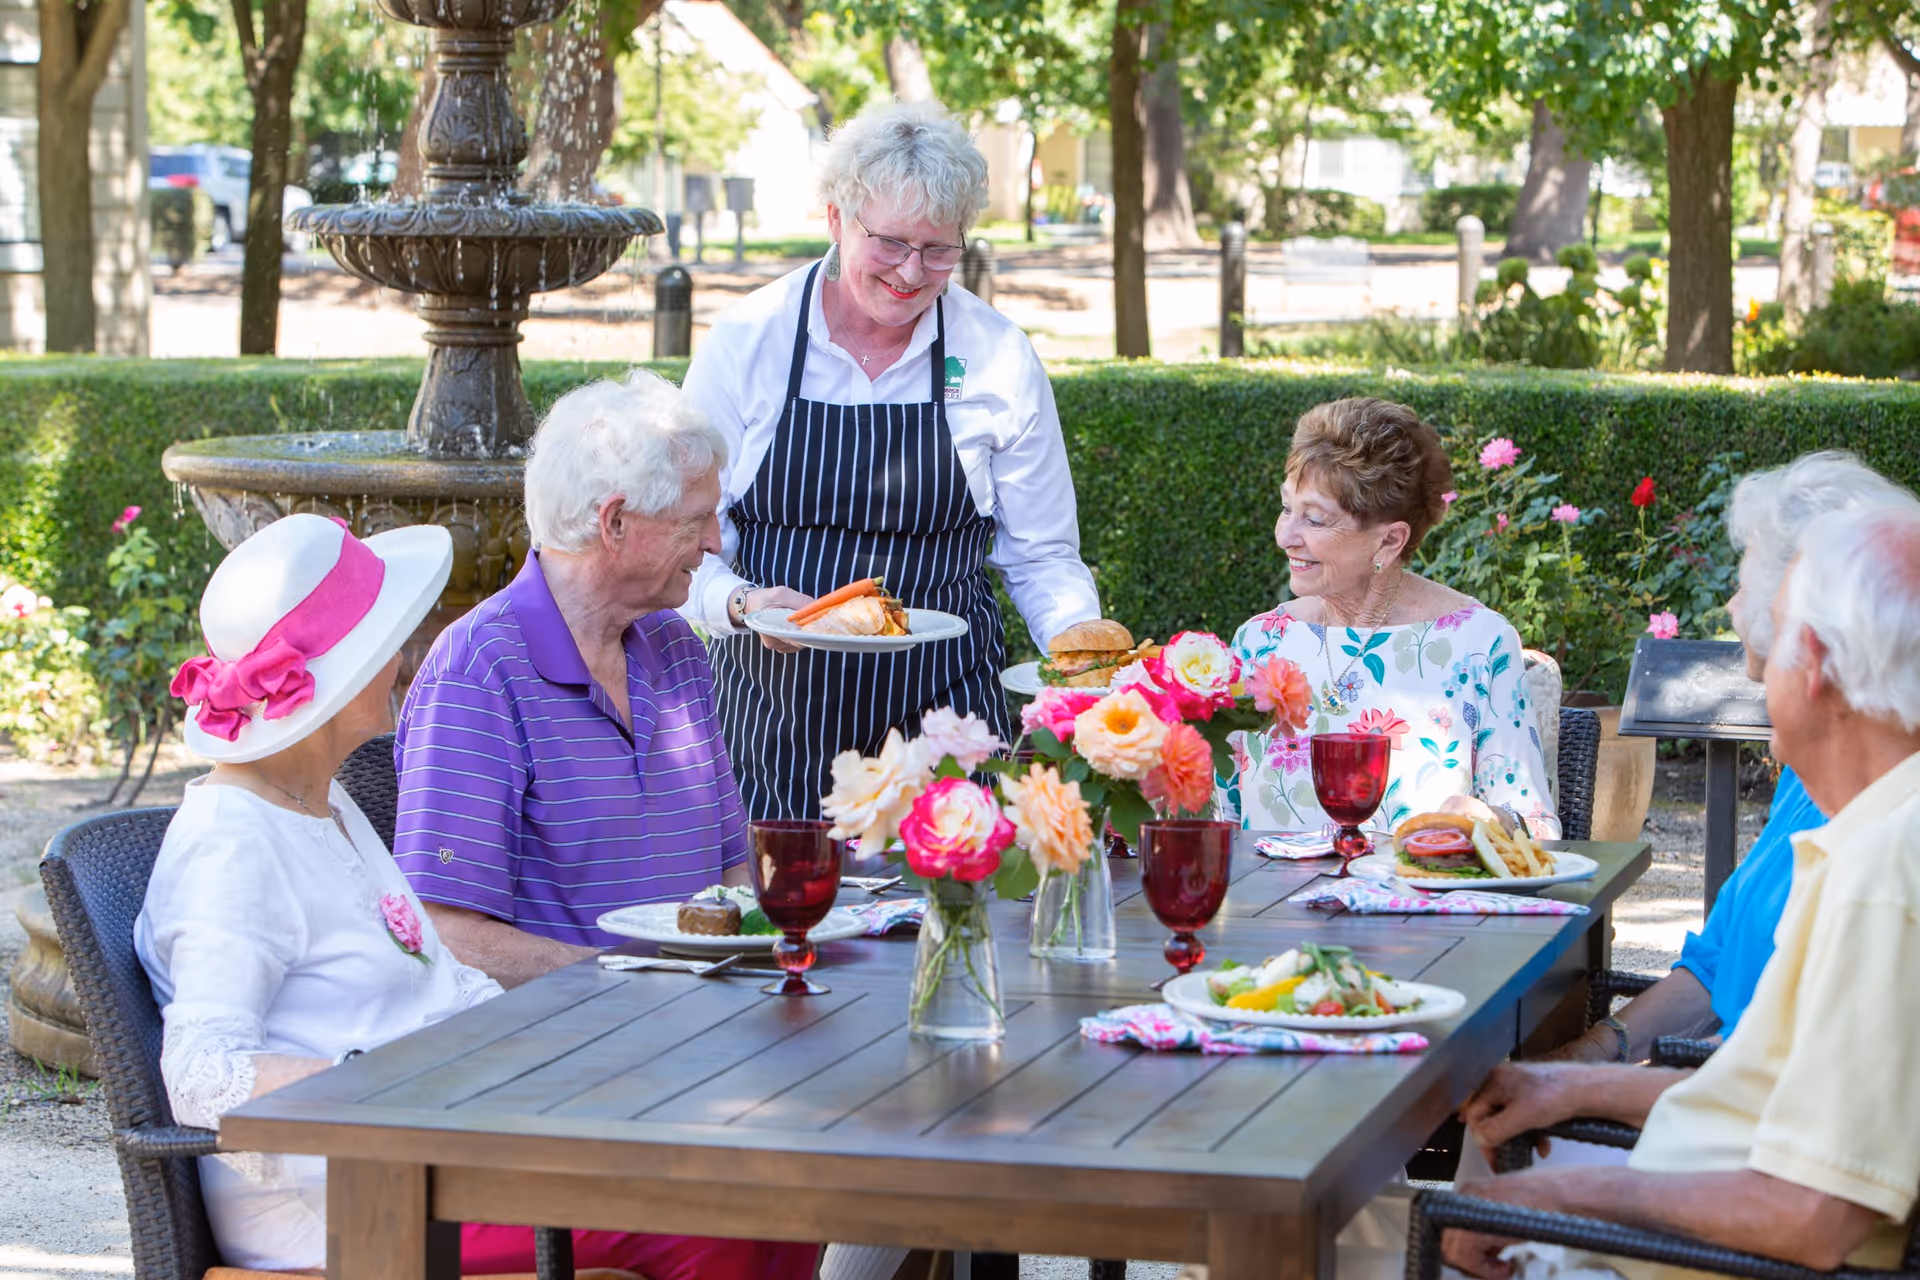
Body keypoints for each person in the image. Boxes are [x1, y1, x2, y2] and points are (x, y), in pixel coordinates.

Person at [140, 513, 815, 1279]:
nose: (404, 654)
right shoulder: (233, 839)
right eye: (387, 640)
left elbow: (438, 989)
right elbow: (200, 1073)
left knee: (764, 1173)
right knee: (718, 1214)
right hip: (356, 1199)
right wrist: (391, 1075)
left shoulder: (320, 806)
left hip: (444, 1146)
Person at [1442, 501, 1920, 1280]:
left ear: (1819, 665)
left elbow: (1814, 1217)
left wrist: (1556, 1200)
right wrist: (1562, 1082)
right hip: (1671, 1229)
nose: (1756, 669)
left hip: (1664, 1261)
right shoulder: (1878, 831)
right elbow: (1769, 1107)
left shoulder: (1884, 875)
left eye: (1771, 642)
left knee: (1300, 1243)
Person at [679, 100, 1101, 822]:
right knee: (780, 920)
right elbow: (681, 543)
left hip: (947, 722)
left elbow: (1041, 557)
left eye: (939, 249)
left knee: (954, 925)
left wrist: (1085, 663)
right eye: (892, 242)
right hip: (773, 722)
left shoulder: (997, 355)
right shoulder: (748, 342)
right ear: (837, 218)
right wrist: (741, 606)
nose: (912, 271)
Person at [1545, 451, 1918, 1064]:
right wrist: (1595, 1051)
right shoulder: (1810, 772)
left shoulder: (1882, 848)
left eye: (1747, 586)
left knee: (1503, 1131)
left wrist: (1582, 1083)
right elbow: (1720, 968)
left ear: (1812, 644)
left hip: (1736, 1116)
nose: (1733, 607)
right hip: (1723, 1095)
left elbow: (1769, 1092)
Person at [391, 372, 753, 988]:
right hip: (565, 1053)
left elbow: (733, 871)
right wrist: (629, 985)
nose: (715, 543)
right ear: (614, 524)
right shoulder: (478, 674)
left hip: (706, 1027)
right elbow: (449, 936)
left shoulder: (675, 646)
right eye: (695, 521)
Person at [1221, 397, 1558, 838]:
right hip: (1266, 905)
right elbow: (1216, 817)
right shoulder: (1259, 642)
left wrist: (1490, 822)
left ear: (1389, 541)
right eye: (1287, 508)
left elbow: (1535, 829)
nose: (1285, 536)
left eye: (1315, 520)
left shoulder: (1478, 643)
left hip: (1413, 903)